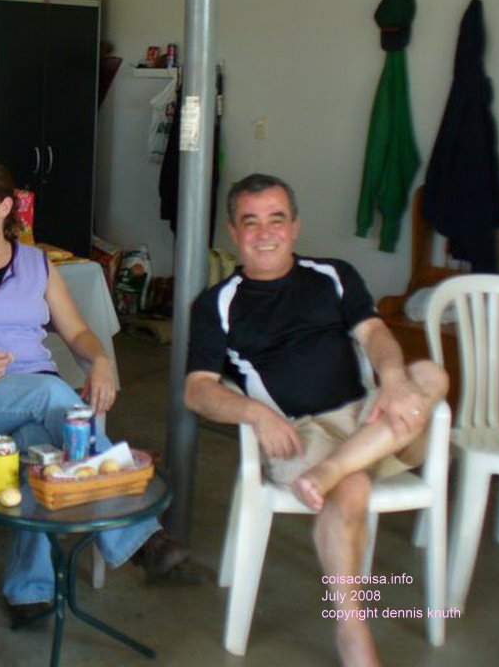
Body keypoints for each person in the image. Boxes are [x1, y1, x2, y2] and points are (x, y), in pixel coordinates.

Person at [0, 161, 190, 625]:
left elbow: (78, 333)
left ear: (5, 207)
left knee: (41, 449)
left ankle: (28, 592)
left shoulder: (37, 264)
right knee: (54, 398)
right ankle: (140, 535)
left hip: (33, 398)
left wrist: (101, 361)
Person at [184, 173, 447, 667]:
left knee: (429, 374)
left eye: (276, 219)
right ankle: (352, 633)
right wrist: (255, 413)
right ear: (234, 232)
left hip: (372, 417)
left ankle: (334, 469)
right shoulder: (217, 303)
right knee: (353, 489)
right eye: (251, 222)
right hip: (303, 431)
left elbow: (374, 334)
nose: (265, 233)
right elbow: (197, 389)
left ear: (295, 226)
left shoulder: (333, 274)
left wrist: (392, 379)